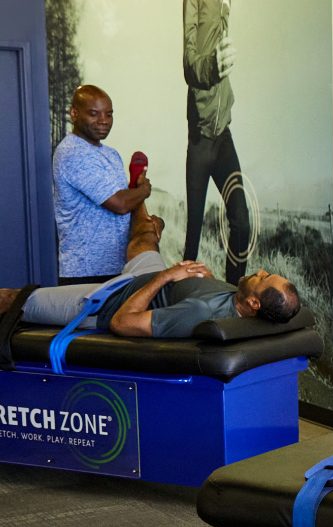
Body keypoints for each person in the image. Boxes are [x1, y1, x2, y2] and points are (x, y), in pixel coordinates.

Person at [1, 201, 299, 339]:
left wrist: (167, 276)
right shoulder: (238, 300)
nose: (259, 270)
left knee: (16, 298)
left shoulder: (198, 312)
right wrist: (200, 278)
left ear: (254, 304)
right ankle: (141, 198)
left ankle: (144, 217)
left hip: (107, 300)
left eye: (262, 278)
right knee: (145, 236)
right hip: (149, 278)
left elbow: (122, 322)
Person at [52, 85, 152, 286]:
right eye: (94, 114)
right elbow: (120, 204)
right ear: (74, 113)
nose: (103, 121)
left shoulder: (111, 154)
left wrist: (135, 192)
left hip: (118, 268)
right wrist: (144, 190)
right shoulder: (73, 152)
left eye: (109, 114)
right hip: (85, 272)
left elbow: (126, 201)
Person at [183, 0, 250, 285]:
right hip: (200, 137)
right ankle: (179, 291)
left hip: (223, 136)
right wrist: (214, 66)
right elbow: (189, 65)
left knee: (242, 223)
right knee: (193, 233)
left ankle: (235, 294)